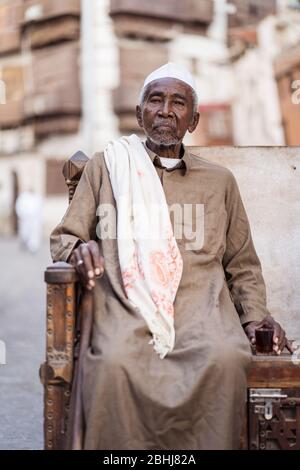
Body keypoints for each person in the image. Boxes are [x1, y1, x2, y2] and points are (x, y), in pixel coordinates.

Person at [50, 63, 292, 450]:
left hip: (204, 313)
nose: (165, 111)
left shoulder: (219, 181)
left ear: (193, 120)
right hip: (126, 312)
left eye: (178, 103)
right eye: (156, 100)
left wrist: (253, 319)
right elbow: (65, 237)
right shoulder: (107, 168)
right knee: (112, 362)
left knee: (226, 358)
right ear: (139, 113)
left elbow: (242, 263)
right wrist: (81, 249)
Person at [15, 188, 42, 254]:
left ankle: (33, 247)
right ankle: (25, 244)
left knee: (34, 234)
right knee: (25, 232)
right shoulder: (23, 196)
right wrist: (22, 215)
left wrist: (40, 219)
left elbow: (40, 209)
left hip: (35, 220)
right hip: (25, 219)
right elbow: (19, 206)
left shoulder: (37, 197)